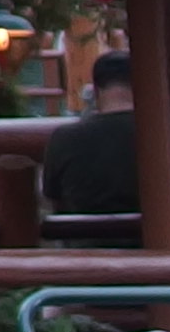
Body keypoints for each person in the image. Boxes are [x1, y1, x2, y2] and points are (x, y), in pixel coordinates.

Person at [45, 50, 143, 246]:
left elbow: (53, 197)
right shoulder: (160, 135)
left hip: (86, 254)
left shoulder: (64, 138)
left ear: (96, 91)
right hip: (154, 252)